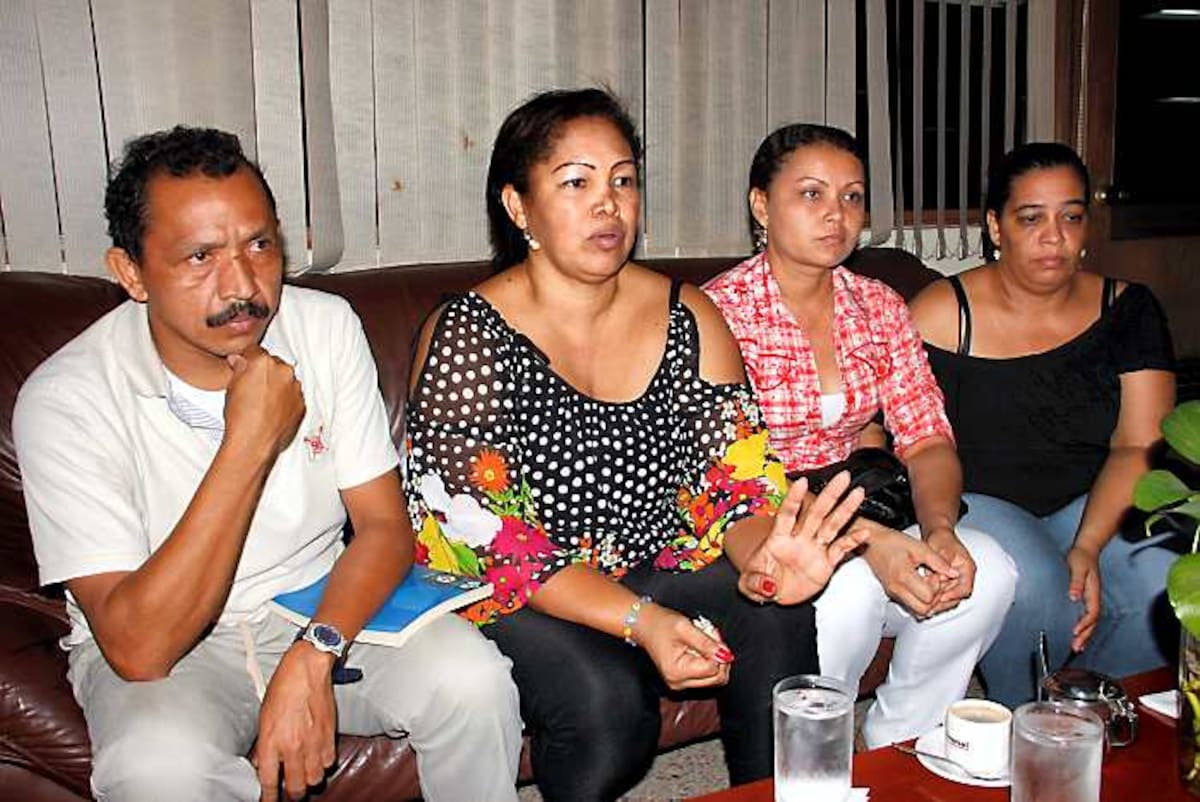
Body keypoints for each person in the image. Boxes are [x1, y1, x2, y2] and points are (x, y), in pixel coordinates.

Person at [12, 126, 522, 802]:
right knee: (157, 770)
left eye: (259, 244)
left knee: (472, 680)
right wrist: (247, 442)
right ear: (130, 272)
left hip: (317, 604)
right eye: (200, 257)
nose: (244, 285)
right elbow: (139, 647)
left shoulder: (324, 326)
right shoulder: (66, 399)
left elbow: (383, 527)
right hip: (172, 651)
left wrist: (316, 653)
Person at [402, 89, 871, 802]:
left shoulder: (691, 317)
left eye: (623, 180)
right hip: (519, 591)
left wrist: (764, 556)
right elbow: (490, 543)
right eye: (576, 182)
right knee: (608, 705)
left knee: (776, 609)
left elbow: (734, 489)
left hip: (652, 559)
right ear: (518, 205)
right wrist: (642, 622)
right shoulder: (469, 336)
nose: (608, 204)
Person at [704, 123, 1017, 747]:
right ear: (761, 204)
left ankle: (900, 742)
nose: (836, 216)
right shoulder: (718, 314)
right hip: (761, 524)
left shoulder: (878, 306)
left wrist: (940, 530)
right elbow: (725, 478)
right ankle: (813, 746)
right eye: (812, 195)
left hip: (865, 503)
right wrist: (864, 541)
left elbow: (926, 435)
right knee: (843, 587)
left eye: (852, 196)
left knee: (988, 568)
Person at [909, 142, 1177, 706]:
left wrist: (1089, 545)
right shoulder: (941, 312)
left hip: (1093, 495)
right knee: (1044, 590)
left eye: (1071, 216)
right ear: (996, 227)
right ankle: (1023, 720)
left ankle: (1084, 712)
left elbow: (1137, 445)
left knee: (1162, 585)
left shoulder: (1128, 309)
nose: (1053, 236)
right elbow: (914, 438)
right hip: (980, 499)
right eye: (1031, 218)